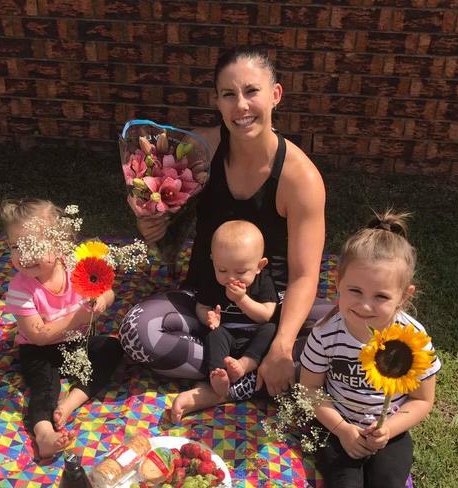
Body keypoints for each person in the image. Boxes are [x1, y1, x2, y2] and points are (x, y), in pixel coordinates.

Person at [118, 46, 328, 419]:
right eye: (229, 95)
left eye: (252, 91)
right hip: (206, 302)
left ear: (276, 95)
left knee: (354, 340)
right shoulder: (200, 150)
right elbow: (168, 239)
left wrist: (280, 343)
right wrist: (150, 221)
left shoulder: (300, 179)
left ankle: (251, 371)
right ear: (216, 100)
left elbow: (305, 275)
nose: (241, 106)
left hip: (268, 310)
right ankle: (260, 373)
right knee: (136, 332)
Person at [299, 210, 441, 488]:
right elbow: (309, 390)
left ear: (404, 295)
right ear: (338, 283)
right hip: (335, 426)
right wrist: (342, 430)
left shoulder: (413, 339)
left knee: (388, 481)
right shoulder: (325, 334)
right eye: (355, 291)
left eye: (381, 296)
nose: (365, 306)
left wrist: (387, 429)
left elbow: (422, 400)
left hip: (390, 431)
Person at [1, 199, 123, 459]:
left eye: (32, 246)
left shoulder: (76, 266)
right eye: (15, 247)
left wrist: (102, 300)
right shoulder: (20, 288)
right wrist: (78, 317)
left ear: (60, 245)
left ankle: (70, 403)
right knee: (44, 386)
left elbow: (108, 291)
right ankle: (44, 433)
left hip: (76, 344)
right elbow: (37, 335)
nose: (24, 255)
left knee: (113, 348)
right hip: (38, 350)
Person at [198, 220, 278, 398]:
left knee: (271, 329)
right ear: (213, 261)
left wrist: (241, 299)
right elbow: (201, 306)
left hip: (254, 334)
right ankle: (218, 375)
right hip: (227, 332)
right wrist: (208, 317)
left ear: (260, 266)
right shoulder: (211, 281)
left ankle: (244, 365)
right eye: (222, 270)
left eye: (241, 272)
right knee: (214, 334)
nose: (231, 278)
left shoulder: (263, 281)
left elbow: (266, 315)